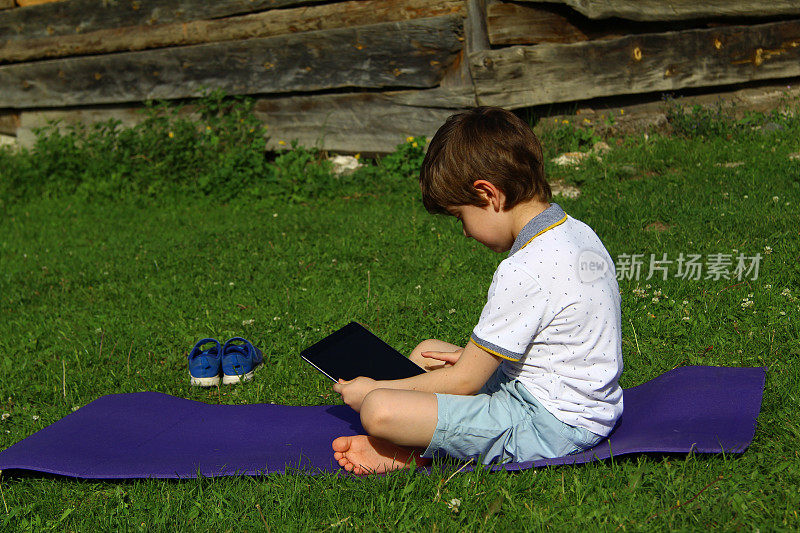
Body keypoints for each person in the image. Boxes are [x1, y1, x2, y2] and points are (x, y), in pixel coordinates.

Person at [332, 107, 623, 475]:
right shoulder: (577, 231)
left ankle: (415, 451)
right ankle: (415, 433)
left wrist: (374, 390)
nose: (466, 232)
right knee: (428, 353)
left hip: (551, 424)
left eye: (461, 217)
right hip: (584, 401)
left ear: (488, 195)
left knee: (379, 409)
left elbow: (465, 381)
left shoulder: (523, 269)